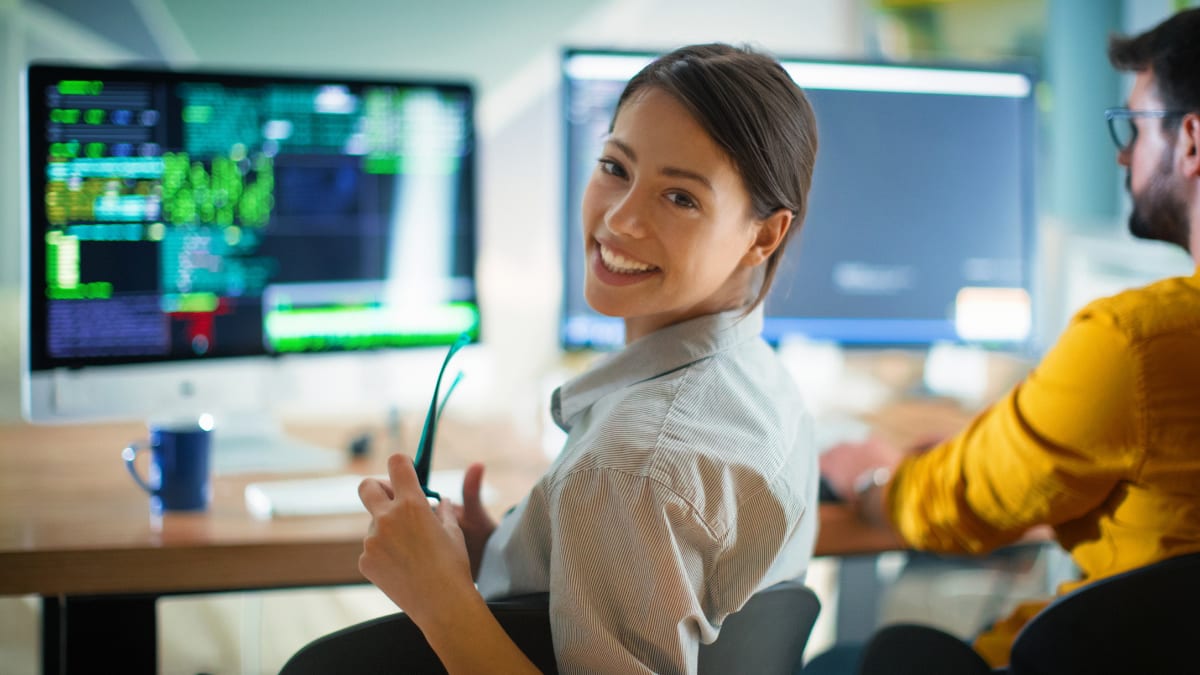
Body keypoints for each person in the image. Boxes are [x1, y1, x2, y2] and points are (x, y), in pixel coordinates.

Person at [357, 43, 821, 674]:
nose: (620, 219)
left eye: (680, 197)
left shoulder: (638, 459)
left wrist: (437, 597)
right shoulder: (762, 382)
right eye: (615, 167)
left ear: (764, 235)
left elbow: (641, 485)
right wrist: (515, 558)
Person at [817, 7, 1200, 672]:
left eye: (1134, 127)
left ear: (1191, 141)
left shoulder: (1135, 344)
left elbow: (961, 505)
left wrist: (873, 475)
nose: (1121, 151)